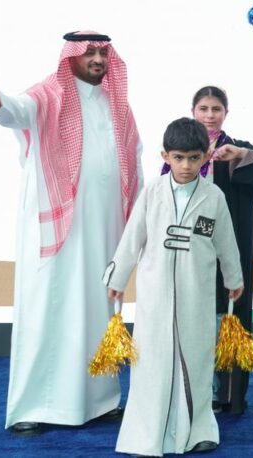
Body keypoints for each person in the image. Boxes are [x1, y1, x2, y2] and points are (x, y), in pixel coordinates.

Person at [0, 31, 142, 434]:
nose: (98, 59)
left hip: (104, 227)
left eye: (103, 52)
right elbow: (16, 112)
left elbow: (134, 157)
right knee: (48, 309)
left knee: (99, 310)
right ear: (71, 58)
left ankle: (100, 401)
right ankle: (34, 406)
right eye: (89, 53)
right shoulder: (49, 94)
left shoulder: (117, 104)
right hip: (58, 229)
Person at [104, 117, 244, 456]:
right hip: (155, 296)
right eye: (178, 158)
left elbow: (226, 241)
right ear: (165, 156)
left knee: (197, 360)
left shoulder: (213, 196)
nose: (186, 165)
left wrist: (234, 278)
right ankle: (145, 435)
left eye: (194, 158)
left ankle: (199, 430)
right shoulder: (153, 192)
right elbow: (133, 237)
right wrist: (118, 278)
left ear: (206, 156)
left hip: (197, 294)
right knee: (150, 363)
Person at [162, 86, 253, 415]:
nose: (209, 115)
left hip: (230, 246)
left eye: (216, 109)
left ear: (225, 113)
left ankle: (226, 395)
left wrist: (242, 155)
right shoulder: (181, 150)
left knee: (228, 314)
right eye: (203, 108)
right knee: (191, 316)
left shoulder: (235, 149)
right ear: (193, 111)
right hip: (189, 250)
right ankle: (191, 389)